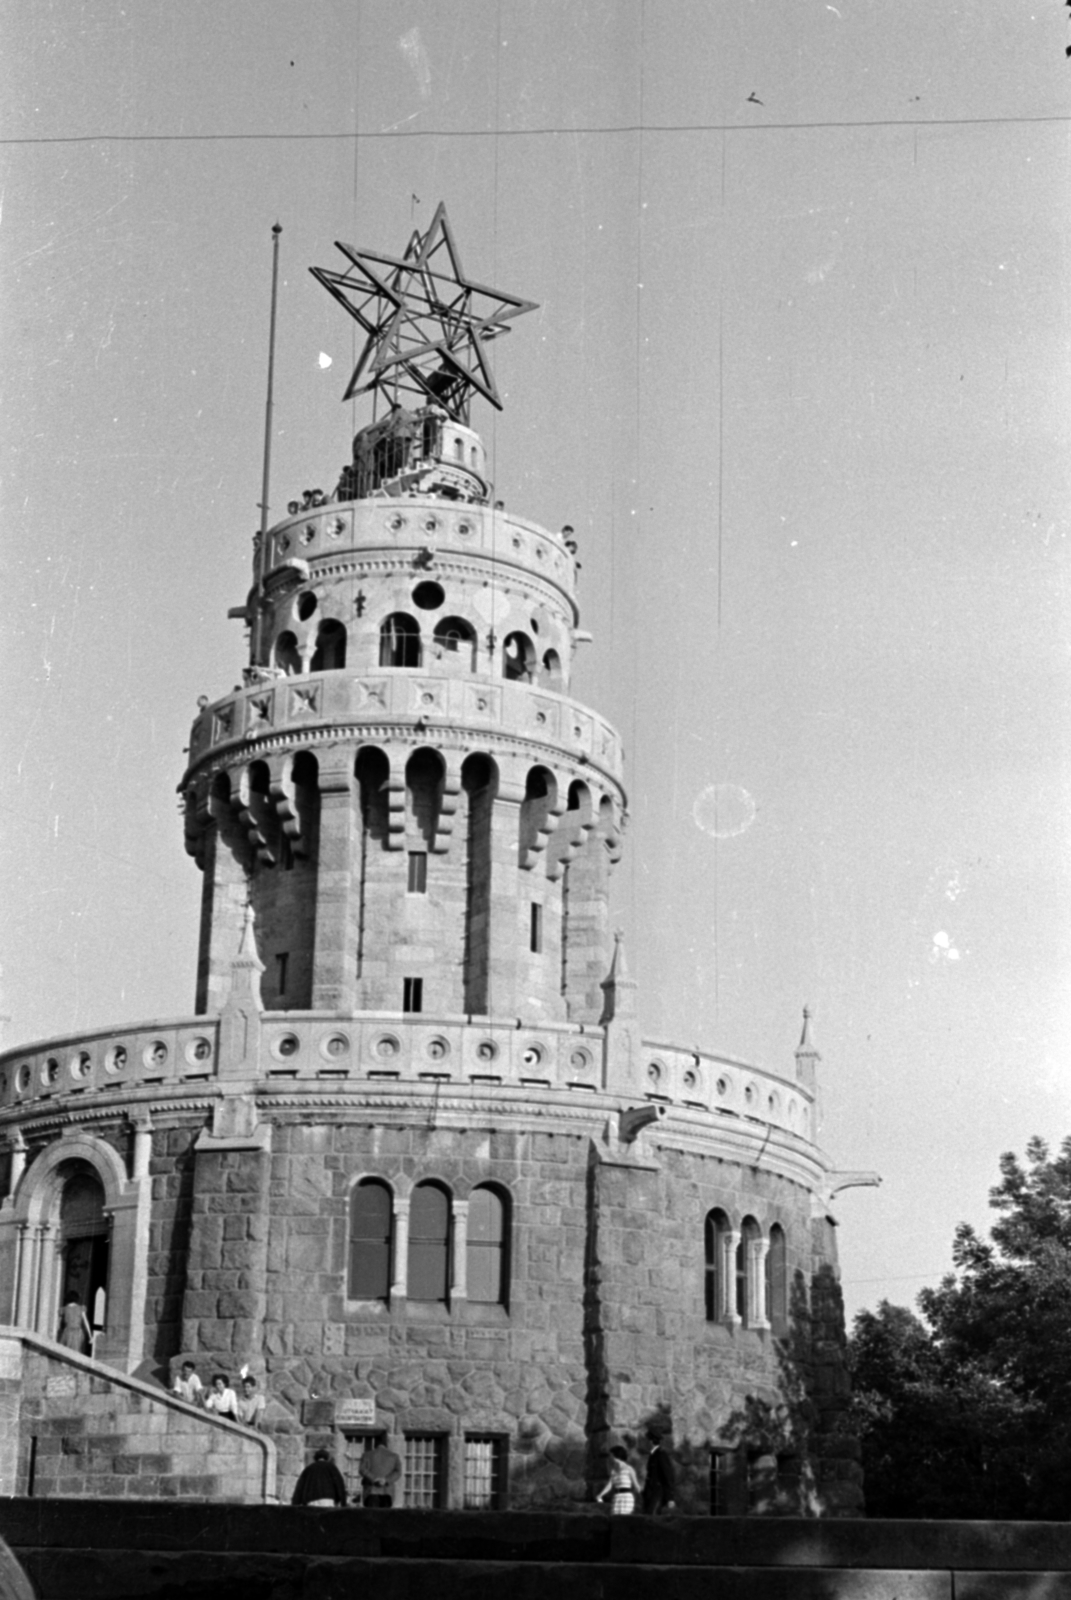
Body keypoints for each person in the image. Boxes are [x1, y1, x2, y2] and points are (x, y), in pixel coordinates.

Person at [595, 1445, 642, 1515]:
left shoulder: (629, 1469)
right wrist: (600, 1495)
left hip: (627, 1498)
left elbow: (637, 1486)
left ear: (615, 1456)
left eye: (611, 1455)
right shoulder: (613, 1470)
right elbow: (610, 1485)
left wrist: (642, 1496)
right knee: (614, 1518)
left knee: (624, 1519)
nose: (609, 1457)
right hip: (616, 1497)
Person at [641, 1429, 677, 1515]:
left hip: (657, 1494)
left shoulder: (661, 1455)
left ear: (651, 1441)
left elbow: (668, 1475)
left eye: (646, 1440)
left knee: (652, 1519)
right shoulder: (653, 1455)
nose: (644, 1442)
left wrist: (670, 1498)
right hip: (650, 1493)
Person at [358, 1441, 402, 1508]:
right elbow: (398, 1472)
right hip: (387, 1491)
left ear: (375, 1446)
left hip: (371, 1490)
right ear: (386, 1446)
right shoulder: (394, 1456)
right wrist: (386, 1480)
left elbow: (362, 1469)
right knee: (385, 1516)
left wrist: (374, 1478)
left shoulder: (367, 1454)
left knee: (372, 1516)